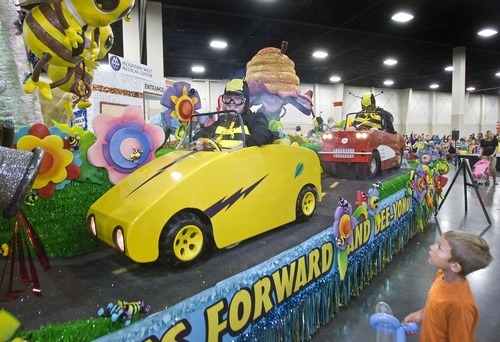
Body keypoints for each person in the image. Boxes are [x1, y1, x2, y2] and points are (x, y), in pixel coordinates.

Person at [403, 230, 492, 341]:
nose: (431, 247)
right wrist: (421, 314)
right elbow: (438, 308)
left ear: (455, 266)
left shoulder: (461, 307)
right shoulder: (441, 275)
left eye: (439, 247)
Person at [195, 79, 273, 148]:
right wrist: (200, 140)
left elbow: (261, 135)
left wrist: (239, 148)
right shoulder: (222, 120)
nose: (231, 103)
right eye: (228, 98)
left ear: (245, 101)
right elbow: (203, 132)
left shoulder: (255, 118)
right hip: (221, 162)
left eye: (237, 98)